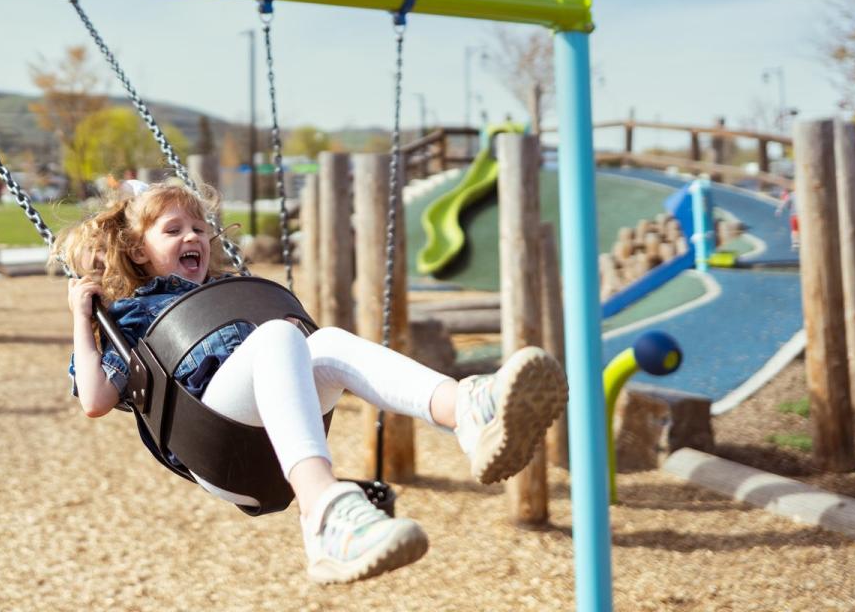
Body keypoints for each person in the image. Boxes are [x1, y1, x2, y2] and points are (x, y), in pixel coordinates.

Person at [57, 179, 567, 586]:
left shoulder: (227, 294)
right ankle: (324, 514)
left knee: (325, 343)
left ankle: (468, 411)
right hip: (212, 441)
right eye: (173, 230)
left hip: (264, 440)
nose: (194, 237)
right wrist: (85, 318)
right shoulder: (129, 317)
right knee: (281, 335)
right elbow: (97, 401)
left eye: (199, 228)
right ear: (139, 252)